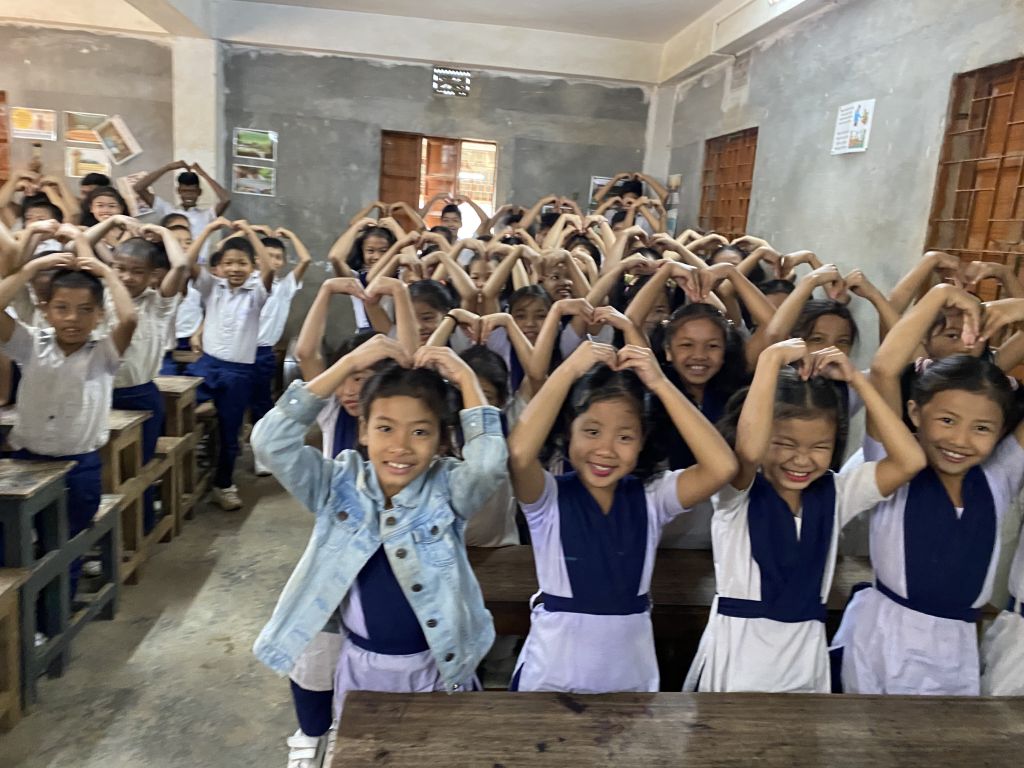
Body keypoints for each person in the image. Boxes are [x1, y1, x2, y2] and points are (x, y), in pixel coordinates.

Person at [251, 338, 507, 766]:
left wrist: (463, 376)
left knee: (435, 755)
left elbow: (487, 465)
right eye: (385, 427)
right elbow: (270, 443)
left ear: (443, 439)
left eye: (420, 431)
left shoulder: (448, 488)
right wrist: (349, 362)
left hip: (435, 666)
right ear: (364, 429)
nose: (401, 447)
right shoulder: (336, 484)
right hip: (360, 666)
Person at [684, 340, 924, 693]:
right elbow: (749, 450)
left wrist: (858, 381)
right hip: (738, 658)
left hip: (804, 658)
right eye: (784, 443)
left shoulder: (837, 493)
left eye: (819, 447)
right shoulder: (736, 493)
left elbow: (910, 461)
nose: (801, 460)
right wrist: (770, 360)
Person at [507, 341, 737, 692]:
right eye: (592, 431)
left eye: (625, 436)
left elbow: (722, 466)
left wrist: (660, 382)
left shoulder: (651, 497)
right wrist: (568, 370)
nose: (606, 450)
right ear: (569, 430)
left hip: (629, 675)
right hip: (553, 676)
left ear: (643, 440)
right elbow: (520, 455)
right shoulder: (547, 499)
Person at [832, 285, 1024, 695]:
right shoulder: (897, 465)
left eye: (982, 428)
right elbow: (884, 370)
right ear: (915, 412)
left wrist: (1017, 307)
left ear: (1002, 431)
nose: (961, 440)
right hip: (884, 639)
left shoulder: (998, 477)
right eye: (948, 421)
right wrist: (939, 294)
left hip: (956, 647)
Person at [0, 238, 137, 599]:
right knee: (12, 545)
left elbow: (131, 317)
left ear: (98, 315)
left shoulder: (103, 354)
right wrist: (28, 269)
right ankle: (22, 618)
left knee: (65, 548)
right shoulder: (31, 343)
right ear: (45, 310)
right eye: (61, 308)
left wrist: (107, 272)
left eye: (84, 310)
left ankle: (51, 621)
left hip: (79, 467)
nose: (72, 318)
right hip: (27, 460)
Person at [185, 222, 274, 510]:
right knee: (180, 407)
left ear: (252, 266)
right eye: (228, 263)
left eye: (242, 263)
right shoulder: (213, 288)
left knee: (230, 432)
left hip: (239, 373)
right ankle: (181, 477)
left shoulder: (256, 293)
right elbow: (187, 262)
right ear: (219, 267)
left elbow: (270, 269)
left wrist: (250, 234)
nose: (235, 268)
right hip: (208, 366)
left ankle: (223, 485)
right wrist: (210, 229)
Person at [108, 223, 192, 532]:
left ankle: (137, 531)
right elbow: (83, 248)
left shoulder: (158, 304)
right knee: (105, 473)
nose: (127, 277)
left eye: (137, 272)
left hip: (139, 395)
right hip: (100, 395)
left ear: (152, 276)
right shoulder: (102, 297)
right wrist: (110, 223)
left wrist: (160, 231)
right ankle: (108, 537)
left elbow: (181, 264)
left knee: (137, 471)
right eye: (120, 269)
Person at [250, 228, 312, 475]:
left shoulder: (285, 286)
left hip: (264, 352)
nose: (273, 261)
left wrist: (290, 234)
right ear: (256, 258)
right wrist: (250, 232)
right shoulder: (247, 282)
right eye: (267, 256)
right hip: (239, 352)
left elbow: (306, 259)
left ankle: (260, 456)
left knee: (262, 404)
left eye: (277, 257)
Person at [133, 161, 231, 260]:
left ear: (199, 192)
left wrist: (203, 174)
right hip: (172, 261)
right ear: (178, 191)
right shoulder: (168, 211)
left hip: (198, 265)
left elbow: (225, 199)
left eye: (192, 191)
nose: (188, 195)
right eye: (184, 191)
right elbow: (139, 187)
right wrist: (168, 167)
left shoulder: (207, 215)